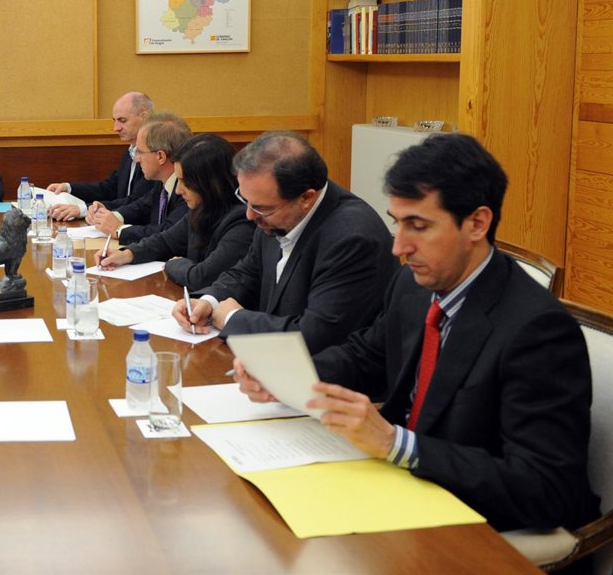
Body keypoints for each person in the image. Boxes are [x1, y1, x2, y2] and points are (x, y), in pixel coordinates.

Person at [232, 133, 600, 533]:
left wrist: (396, 444)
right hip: (400, 485)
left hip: (475, 522)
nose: (399, 248)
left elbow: (546, 488)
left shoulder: (538, 330)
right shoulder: (413, 286)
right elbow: (365, 355)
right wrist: (285, 378)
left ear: (477, 223)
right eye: (398, 223)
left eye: (418, 226)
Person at [171, 131, 396, 354]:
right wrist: (208, 302)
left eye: (260, 207)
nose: (249, 215)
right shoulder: (272, 213)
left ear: (306, 198)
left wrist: (233, 318)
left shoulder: (352, 239)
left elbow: (316, 335)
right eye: (245, 200)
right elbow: (246, 273)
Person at [99, 134, 253, 290]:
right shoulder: (202, 208)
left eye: (185, 182)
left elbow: (201, 277)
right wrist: (126, 254)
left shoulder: (242, 221)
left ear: (209, 183)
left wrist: (173, 264)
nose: (178, 190)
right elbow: (165, 241)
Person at [47, 91, 154, 220]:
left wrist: (84, 209)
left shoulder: (153, 154)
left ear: (144, 117)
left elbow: (136, 202)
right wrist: (68, 188)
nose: (116, 128)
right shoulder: (131, 150)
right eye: (115, 121)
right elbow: (110, 188)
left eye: (122, 120)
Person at [87, 112, 191, 246]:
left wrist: (119, 230)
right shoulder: (162, 183)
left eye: (140, 152)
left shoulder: (189, 188)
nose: (136, 159)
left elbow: (168, 233)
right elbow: (141, 207)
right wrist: (109, 216)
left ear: (160, 156)